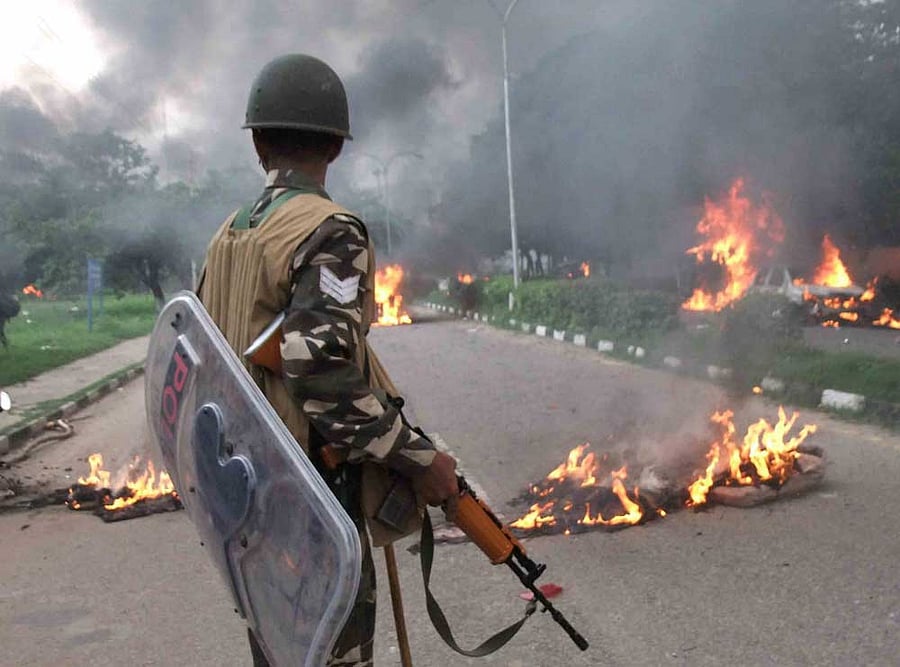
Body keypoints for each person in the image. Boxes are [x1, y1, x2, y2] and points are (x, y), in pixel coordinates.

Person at [196, 54, 459, 666]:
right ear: (337, 148)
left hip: (242, 490)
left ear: (258, 144)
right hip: (308, 500)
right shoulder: (331, 229)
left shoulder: (227, 235)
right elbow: (320, 374)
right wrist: (420, 461)